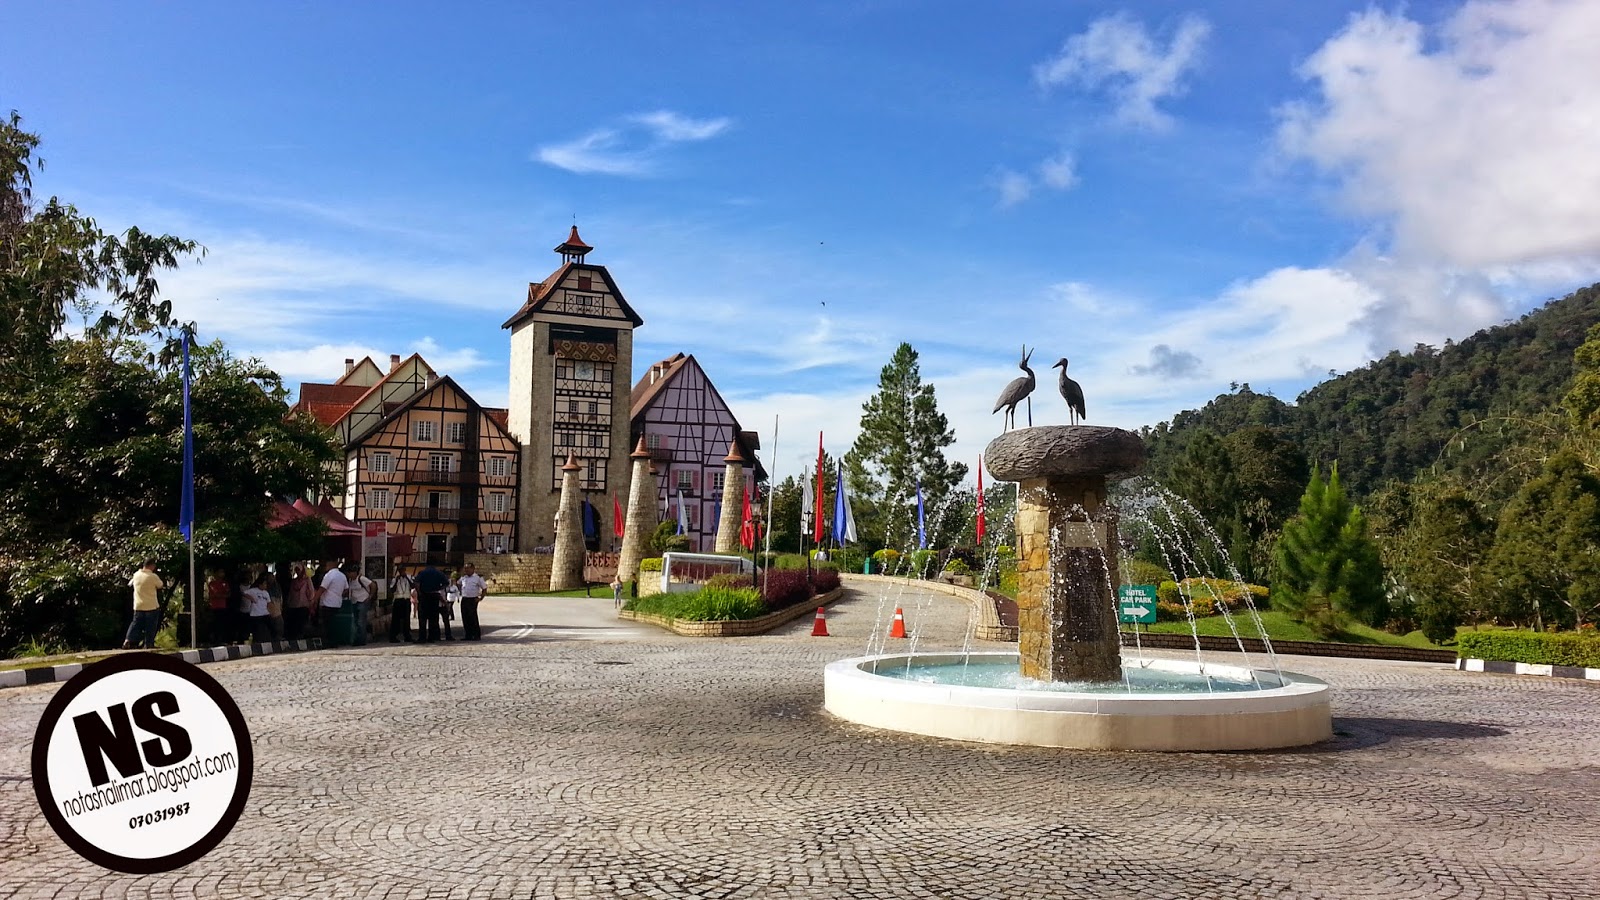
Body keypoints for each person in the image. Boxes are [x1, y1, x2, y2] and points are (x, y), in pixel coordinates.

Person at [122, 560, 164, 650]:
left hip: (138, 605)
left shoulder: (136, 575)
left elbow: (130, 584)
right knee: (150, 626)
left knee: (135, 624)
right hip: (151, 605)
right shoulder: (153, 576)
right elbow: (160, 585)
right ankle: (148, 644)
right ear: (151, 566)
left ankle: (128, 640)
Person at [315, 561, 349, 647]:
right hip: (337, 603)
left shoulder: (329, 575)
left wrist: (314, 600)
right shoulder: (342, 576)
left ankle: (328, 642)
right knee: (334, 624)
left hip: (327, 603)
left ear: (330, 565)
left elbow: (322, 589)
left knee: (326, 624)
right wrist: (338, 594)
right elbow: (346, 589)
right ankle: (334, 642)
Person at [415, 564, 448, 643]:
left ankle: (422, 638)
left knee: (422, 618)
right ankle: (431, 637)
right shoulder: (439, 573)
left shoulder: (422, 573)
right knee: (433, 618)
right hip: (434, 596)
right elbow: (446, 583)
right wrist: (438, 588)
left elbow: (417, 584)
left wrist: (419, 593)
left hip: (424, 596)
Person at [347, 563, 375, 646]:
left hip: (362, 601)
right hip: (354, 601)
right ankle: (357, 638)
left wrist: (370, 596)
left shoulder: (361, 579)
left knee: (361, 621)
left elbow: (372, 585)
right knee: (356, 621)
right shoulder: (351, 580)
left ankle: (361, 640)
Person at [285, 563, 314, 641]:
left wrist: (311, 601)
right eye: (296, 570)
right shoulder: (294, 581)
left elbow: (311, 592)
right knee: (294, 622)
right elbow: (291, 593)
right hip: (293, 605)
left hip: (303, 605)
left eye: (299, 570)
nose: (297, 571)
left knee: (302, 623)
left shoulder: (307, 580)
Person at [458, 563, 487, 641]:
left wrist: (480, 598)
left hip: (472, 599)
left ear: (473, 569)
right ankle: (468, 635)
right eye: (465, 568)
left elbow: (484, 588)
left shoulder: (477, 578)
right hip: (465, 599)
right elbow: (458, 583)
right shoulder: (464, 578)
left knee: (473, 617)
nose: (466, 570)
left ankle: (476, 635)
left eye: (468, 568)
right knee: (465, 617)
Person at [389, 565, 416, 643]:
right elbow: (392, 590)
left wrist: (407, 578)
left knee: (406, 619)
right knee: (395, 620)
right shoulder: (395, 579)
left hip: (406, 600)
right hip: (398, 600)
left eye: (403, 570)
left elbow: (413, 586)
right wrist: (397, 580)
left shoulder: (409, 577)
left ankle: (407, 636)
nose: (402, 572)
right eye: (400, 571)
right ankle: (393, 636)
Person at [243, 573, 273, 643]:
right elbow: (244, 593)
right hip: (256, 614)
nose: (265, 586)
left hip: (265, 613)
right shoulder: (253, 590)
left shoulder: (266, 593)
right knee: (257, 630)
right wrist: (251, 598)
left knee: (267, 628)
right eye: (264, 584)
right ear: (260, 584)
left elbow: (269, 602)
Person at [206, 569, 232, 646]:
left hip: (222, 606)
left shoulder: (225, 583)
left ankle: (221, 639)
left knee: (222, 623)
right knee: (214, 623)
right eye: (220, 572)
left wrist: (221, 595)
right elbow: (213, 595)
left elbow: (228, 594)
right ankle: (213, 640)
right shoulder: (212, 583)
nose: (222, 574)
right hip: (214, 606)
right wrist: (221, 595)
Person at [441, 572, 461, 641]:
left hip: (449, 600)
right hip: (441, 602)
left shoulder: (451, 586)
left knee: (446, 618)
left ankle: (448, 635)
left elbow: (457, 592)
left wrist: (458, 598)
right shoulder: (440, 585)